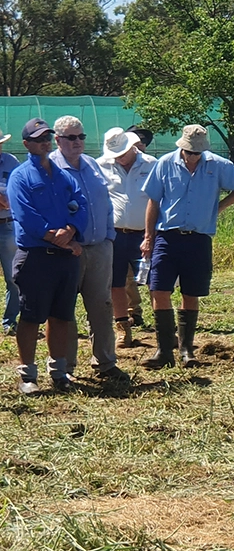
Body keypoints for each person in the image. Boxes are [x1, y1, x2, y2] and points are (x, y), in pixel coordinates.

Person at [140, 124, 234, 368]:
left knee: (191, 293)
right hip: (166, 237)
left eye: (197, 153)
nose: (193, 157)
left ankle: (187, 350)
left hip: (198, 238)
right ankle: (163, 350)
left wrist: (218, 208)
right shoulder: (165, 164)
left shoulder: (217, 165)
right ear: (181, 146)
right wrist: (148, 237)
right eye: (189, 152)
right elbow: (153, 201)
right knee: (159, 290)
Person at [7, 118, 87, 394]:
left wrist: (73, 229)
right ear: (27, 143)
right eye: (38, 138)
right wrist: (63, 240)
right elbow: (26, 216)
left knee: (62, 316)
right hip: (36, 257)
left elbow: (81, 205)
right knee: (31, 316)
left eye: (47, 137)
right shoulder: (20, 176)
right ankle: (28, 376)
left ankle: (59, 372)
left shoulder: (63, 175)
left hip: (64, 259)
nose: (45, 142)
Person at [50, 116, 128, 382]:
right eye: (71, 138)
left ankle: (105, 362)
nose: (78, 142)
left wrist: (108, 236)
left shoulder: (92, 165)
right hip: (66, 251)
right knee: (64, 309)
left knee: (102, 305)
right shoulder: (50, 168)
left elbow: (104, 203)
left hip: (100, 248)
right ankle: (66, 367)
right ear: (58, 140)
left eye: (81, 137)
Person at [97, 127, 155, 349]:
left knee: (155, 283)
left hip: (146, 234)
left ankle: (163, 331)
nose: (119, 158)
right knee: (116, 283)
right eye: (115, 154)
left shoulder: (151, 164)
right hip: (115, 235)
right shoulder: (101, 165)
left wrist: (151, 235)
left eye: (122, 153)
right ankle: (123, 329)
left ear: (132, 146)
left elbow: (159, 199)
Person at [124, 125, 157, 328]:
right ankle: (132, 313)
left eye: (143, 141)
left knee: (154, 275)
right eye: (136, 141)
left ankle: (161, 315)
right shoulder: (113, 163)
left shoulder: (152, 165)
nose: (140, 144)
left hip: (149, 230)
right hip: (123, 232)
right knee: (126, 277)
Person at [0, 128, 22, 335]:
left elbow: (18, 189)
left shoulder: (11, 161)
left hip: (7, 224)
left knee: (13, 277)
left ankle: (9, 321)